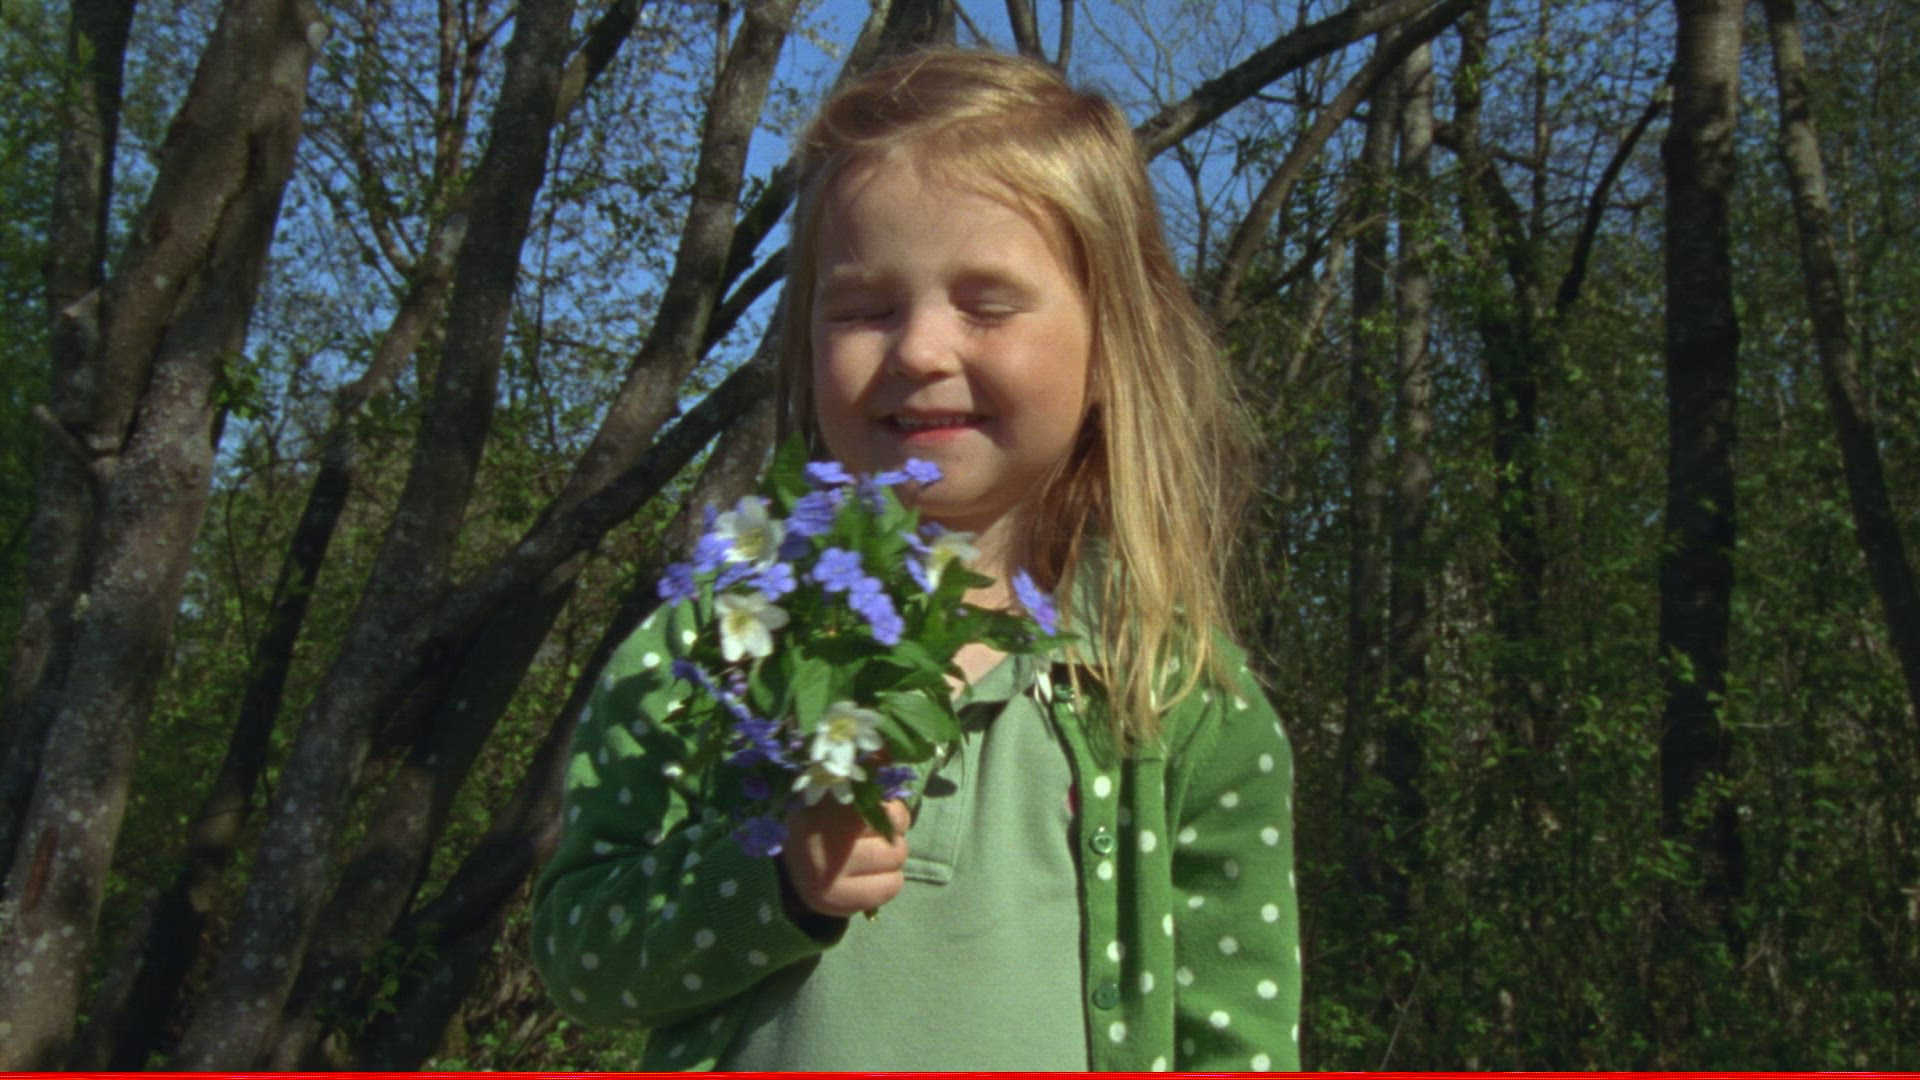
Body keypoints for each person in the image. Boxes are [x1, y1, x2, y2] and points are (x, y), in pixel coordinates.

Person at [531, 47, 1300, 1071]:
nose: (921, 350)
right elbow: (580, 953)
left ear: (1110, 348)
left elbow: (1237, 1039)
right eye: (863, 309)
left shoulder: (1173, 691)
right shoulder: (719, 645)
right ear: (806, 344)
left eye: (987, 303)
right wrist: (770, 881)